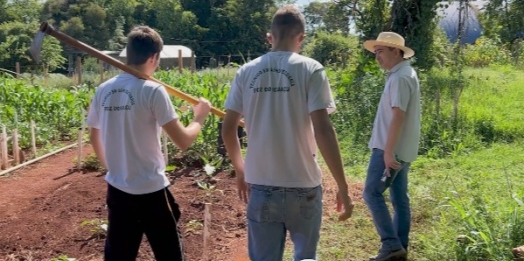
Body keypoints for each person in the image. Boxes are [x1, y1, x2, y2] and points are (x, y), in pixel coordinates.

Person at [221, 5, 354, 261]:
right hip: (304, 186)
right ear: (301, 38)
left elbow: (228, 129)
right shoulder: (311, 69)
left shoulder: (246, 72)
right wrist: (342, 184)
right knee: (306, 256)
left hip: (261, 186)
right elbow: (323, 129)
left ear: (269, 36)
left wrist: (241, 170)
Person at [86, 25, 211, 261]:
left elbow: (94, 136)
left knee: (119, 256)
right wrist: (200, 116)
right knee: (169, 255)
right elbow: (183, 140)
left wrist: (113, 169)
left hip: (117, 190)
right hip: (151, 191)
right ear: (154, 57)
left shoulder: (103, 90)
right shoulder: (153, 90)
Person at [362, 32, 422, 261]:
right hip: (401, 148)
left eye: (380, 51)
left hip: (390, 149)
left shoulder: (400, 77)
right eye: (375, 52)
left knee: (371, 193)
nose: (377, 57)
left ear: (396, 51)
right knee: (399, 197)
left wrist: (387, 152)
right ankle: (400, 247)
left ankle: (391, 244)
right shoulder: (404, 73)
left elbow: (398, 115)